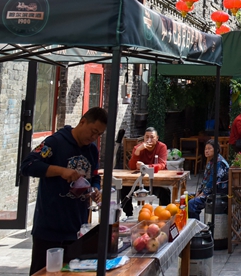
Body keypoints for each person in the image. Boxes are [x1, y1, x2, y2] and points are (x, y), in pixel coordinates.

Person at [21, 107, 108, 275]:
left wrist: (96, 189)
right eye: (93, 131)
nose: (94, 137)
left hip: (77, 228)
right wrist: (61, 171)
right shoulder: (55, 142)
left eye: (99, 135)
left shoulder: (92, 150)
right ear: (83, 122)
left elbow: (95, 176)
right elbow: (27, 166)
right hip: (49, 227)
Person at [122, 127, 169, 216]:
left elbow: (162, 164)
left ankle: (163, 215)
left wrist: (146, 167)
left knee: (165, 191)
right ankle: (129, 214)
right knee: (124, 188)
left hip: (156, 180)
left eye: (152, 137)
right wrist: (138, 151)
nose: (149, 140)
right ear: (143, 138)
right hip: (140, 181)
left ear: (157, 138)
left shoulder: (162, 147)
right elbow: (131, 166)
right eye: (147, 137)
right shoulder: (138, 147)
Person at [188, 140, 229, 219]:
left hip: (217, 194)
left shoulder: (219, 162)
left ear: (216, 149)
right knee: (186, 198)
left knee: (192, 204)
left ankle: (196, 228)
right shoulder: (211, 161)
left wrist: (203, 193)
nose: (206, 151)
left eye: (209, 148)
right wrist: (199, 191)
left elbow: (212, 182)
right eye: (205, 149)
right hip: (208, 191)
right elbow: (205, 180)